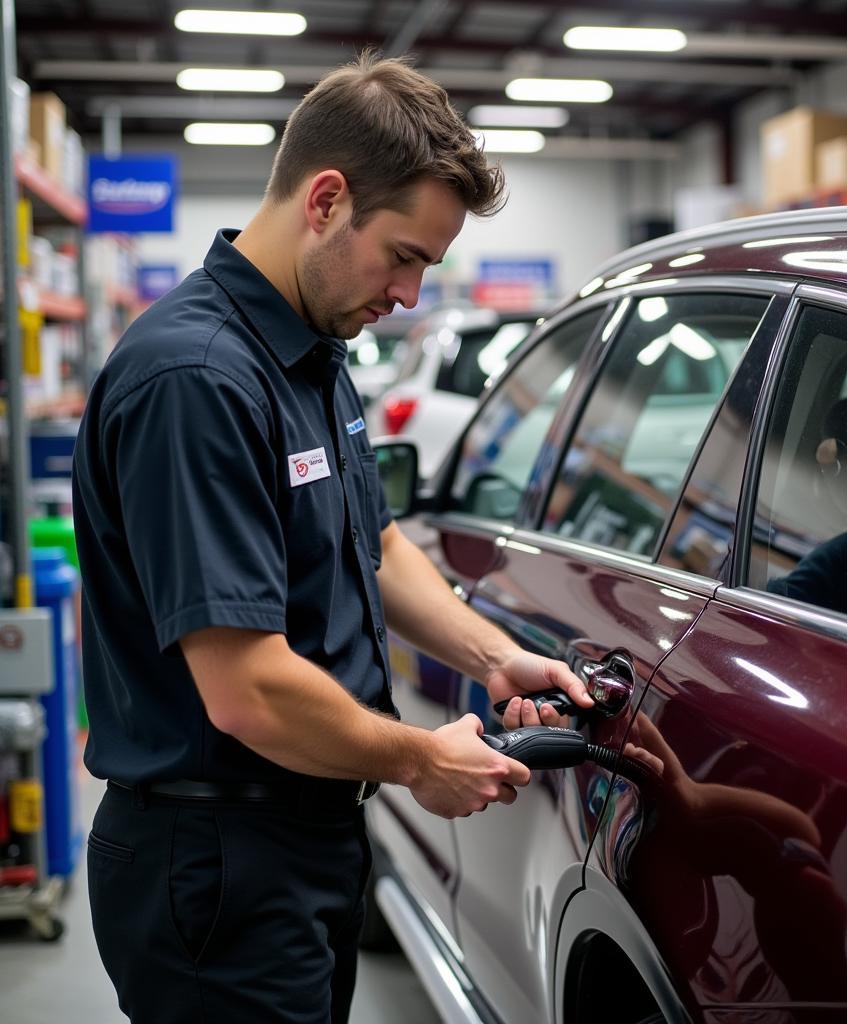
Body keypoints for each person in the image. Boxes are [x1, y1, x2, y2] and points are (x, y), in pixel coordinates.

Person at [71, 52, 591, 1024]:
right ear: (324, 198)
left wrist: (498, 656)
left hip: (303, 839)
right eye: (402, 255)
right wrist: (416, 759)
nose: (406, 292)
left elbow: (374, 541)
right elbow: (247, 690)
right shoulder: (196, 380)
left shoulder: (313, 349)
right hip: (216, 862)